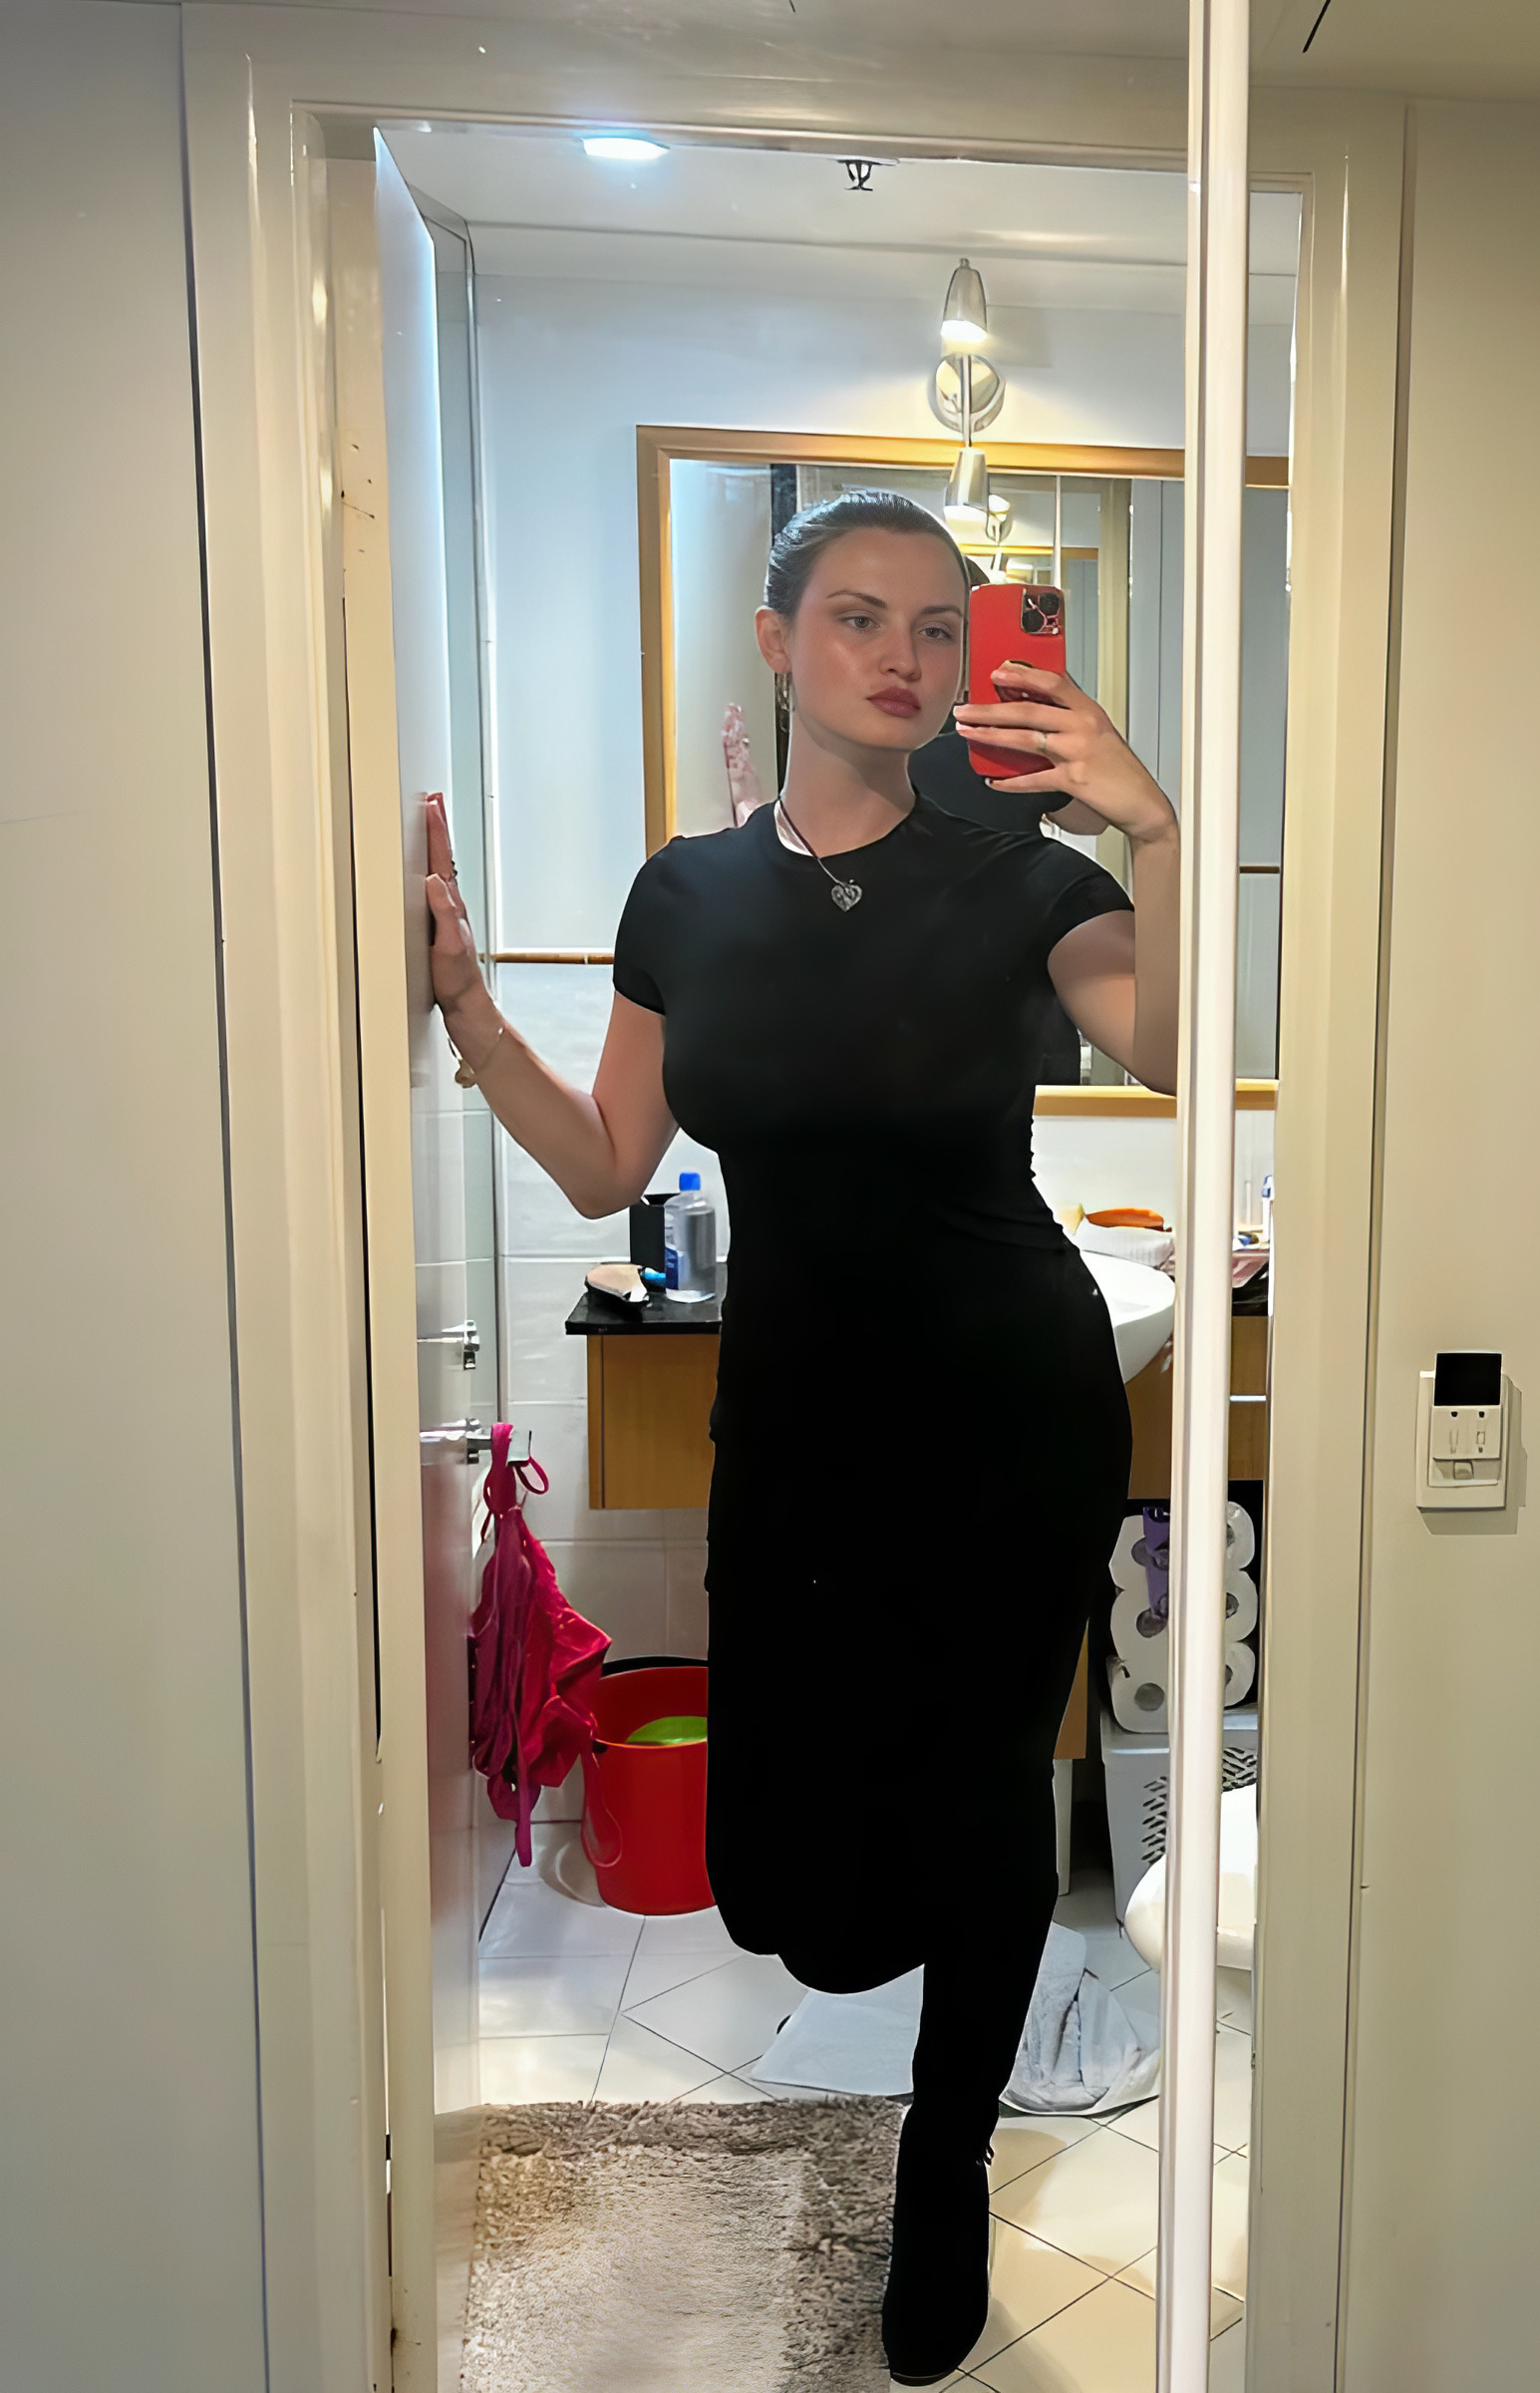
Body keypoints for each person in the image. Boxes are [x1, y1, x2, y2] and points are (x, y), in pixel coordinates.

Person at [424, 489, 1178, 2386]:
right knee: (798, 1874)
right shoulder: (684, 895)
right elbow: (610, 1163)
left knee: (989, 1792)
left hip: (1005, 1402)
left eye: (936, 627)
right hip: (799, 1411)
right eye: (860, 618)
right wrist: (469, 1014)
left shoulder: (1024, 875)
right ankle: (905, 2030)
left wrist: (1152, 831)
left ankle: (946, 2161)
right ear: (777, 640)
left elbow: (1176, 1039)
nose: (904, 659)